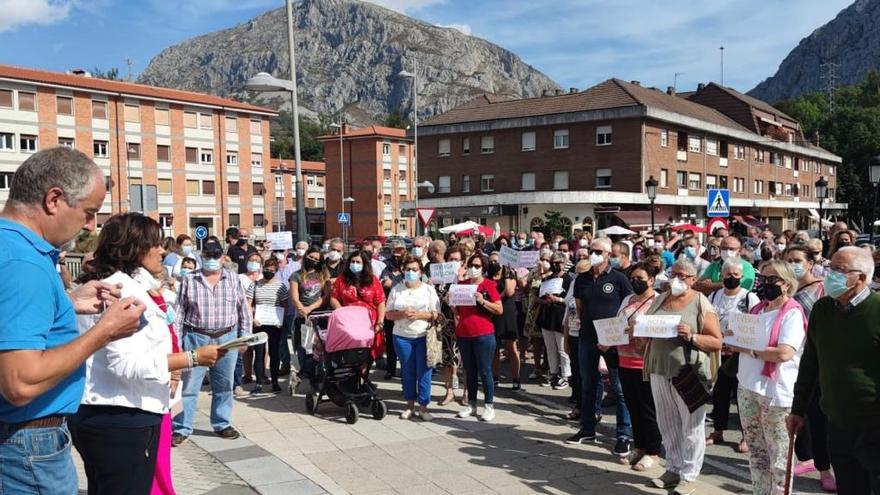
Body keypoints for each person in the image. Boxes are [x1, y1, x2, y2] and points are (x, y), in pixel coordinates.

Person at [0, 147, 145, 493]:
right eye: (89, 212)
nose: (92, 225)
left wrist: (66, 303)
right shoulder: (26, 264)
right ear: (54, 199)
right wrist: (105, 331)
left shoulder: (10, 248)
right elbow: (20, 382)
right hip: (27, 445)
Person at [71, 213, 226, 494]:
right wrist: (193, 358)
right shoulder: (124, 291)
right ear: (133, 247)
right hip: (121, 417)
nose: (162, 250)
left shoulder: (129, 285)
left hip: (118, 414)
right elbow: (126, 363)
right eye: (154, 244)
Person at [789, 247, 880, 495]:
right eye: (831, 268)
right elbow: (810, 364)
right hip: (837, 424)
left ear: (861, 277)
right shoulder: (823, 309)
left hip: (873, 427)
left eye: (839, 270)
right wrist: (798, 409)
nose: (830, 276)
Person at [724, 261, 805, 495]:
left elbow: (784, 353)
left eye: (772, 280)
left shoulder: (792, 312)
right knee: (757, 451)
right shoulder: (758, 310)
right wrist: (733, 337)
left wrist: (748, 349)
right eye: (763, 279)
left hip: (776, 393)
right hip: (748, 386)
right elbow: (742, 338)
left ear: (787, 285)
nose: (765, 285)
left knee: (779, 456)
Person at [643, 259, 722, 495]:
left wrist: (692, 336)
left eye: (681, 275)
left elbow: (716, 340)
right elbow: (648, 329)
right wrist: (639, 331)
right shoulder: (661, 298)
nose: (675, 279)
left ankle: (689, 475)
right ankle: (673, 469)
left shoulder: (700, 302)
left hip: (687, 373)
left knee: (691, 426)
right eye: (672, 273)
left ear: (693, 279)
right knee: (667, 423)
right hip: (659, 369)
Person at [172, 240, 253, 445]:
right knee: (189, 386)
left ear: (222, 256)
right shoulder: (190, 280)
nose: (211, 259)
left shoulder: (233, 279)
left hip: (227, 337)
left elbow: (243, 310)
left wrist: (244, 337)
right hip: (196, 337)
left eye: (215, 255)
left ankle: (222, 423)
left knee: (224, 384)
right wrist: (177, 343)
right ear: (202, 256)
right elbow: (179, 313)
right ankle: (182, 427)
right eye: (208, 255)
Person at [568, 238, 634, 456]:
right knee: (588, 384)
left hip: (613, 341)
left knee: (620, 389)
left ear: (608, 254)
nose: (593, 254)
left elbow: (629, 307)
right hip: (588, 338)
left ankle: (623, 435)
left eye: (598, 251)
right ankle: (587, 429)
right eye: (591, 250)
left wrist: (614, 335)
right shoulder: (582, 279)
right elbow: (579, 306)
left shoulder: (619, 279)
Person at [705, 259, 758, 454]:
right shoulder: (714, 295)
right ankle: (718, 430)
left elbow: (755, 325)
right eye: (728, 274)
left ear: (742, 277)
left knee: (741, 395)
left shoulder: (749, 298)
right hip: (718, 351)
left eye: (736, 275)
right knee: (719, 393)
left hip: (739, 355)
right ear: (722, 276)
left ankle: (746, 435)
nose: (732, 278)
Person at [614, 262, 663, 471]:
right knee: (632, 406)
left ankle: (653, 451)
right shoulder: (627, 299)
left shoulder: (658, 301)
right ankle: (640, 445)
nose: (635, 282)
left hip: (645, 362)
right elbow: (617, 323)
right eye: (632, 278)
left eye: (640, 279)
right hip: (624, 359)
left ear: (651, 281)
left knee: (648, 408)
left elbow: (661, 332)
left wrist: (640, 333)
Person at [385, 256, 441, 421]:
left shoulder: (428, 290)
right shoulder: (397, 289)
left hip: (423, 336)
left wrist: (418, 315)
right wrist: (402, 314)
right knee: (407, 371)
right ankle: (409, 405)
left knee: (424, 372)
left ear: (421, 272)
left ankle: (423, 407)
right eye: (408, 269)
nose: (411, 272)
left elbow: (436, 314)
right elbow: (388, 314)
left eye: (414, 269)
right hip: (402, 336)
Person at [454, 254, 503, 421]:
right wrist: (451, 302)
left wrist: (482, 301)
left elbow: (499, 309)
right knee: (469, 371)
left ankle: (489, 405)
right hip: (464, 333)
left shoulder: (488, 285)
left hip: (483, 333)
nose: (473, 269)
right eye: (471, 265)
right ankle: (472, 404)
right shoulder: (461, 285)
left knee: (485, 370)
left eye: (477, 266)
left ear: (483, 268)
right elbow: (458, 311)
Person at [330, 251, 386, 359]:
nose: (355, 264)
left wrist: (380, 322)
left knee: (367, 353)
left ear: (364, 264)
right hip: (348, 321)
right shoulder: (341, 279)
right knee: (351, 352)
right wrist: (341, 312)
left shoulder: (373, 280)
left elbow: (380, 302)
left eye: (358, 262)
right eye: (353, 261)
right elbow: (334, 298)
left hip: (369, 322)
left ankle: (363, 374)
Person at [246, 257, 289, 394]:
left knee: (274, 353)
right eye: (266, 269)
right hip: (259, 323)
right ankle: (258, 383)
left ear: (276, 271)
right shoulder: (255, 285)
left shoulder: (280, 286)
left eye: (271, 270)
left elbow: (285, 306)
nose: (268, 272)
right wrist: (252, 318)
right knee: (259, 353)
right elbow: (248, 303)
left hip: (275, 324)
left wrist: (280, 320)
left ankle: (275, 382)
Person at [290, 247, 331, 379]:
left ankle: (316, 375)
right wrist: (303, 309)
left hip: (320, 315)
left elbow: (325, 296)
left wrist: (311, 308)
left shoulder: (323, 275)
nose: (312, 260)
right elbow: (294, 298)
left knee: (319, 349)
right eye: (311, 257)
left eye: (316, 259)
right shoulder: (296, 275)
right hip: (303, 317)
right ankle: (305, 374)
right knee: (304, 348)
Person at [538, 252, 573, 390]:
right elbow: (539, 295)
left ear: (564, 264)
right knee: (550, 348)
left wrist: (557, 299)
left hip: (560, 317)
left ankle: (566, 375)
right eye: (553, 262)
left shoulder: (569, 280)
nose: (555, 265)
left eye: (559, 263)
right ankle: (553, 372)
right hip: (547, 316)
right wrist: (543, 299)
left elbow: (570, 300)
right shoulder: (547, 279)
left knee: (562, 349)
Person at [435, 246, 465, 405]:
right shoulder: (441, 279)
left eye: (457, 259)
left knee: (465, 360)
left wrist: (460, 279)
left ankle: (467, 392)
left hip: (463, 324)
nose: (454, 262)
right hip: (445, 324)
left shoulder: (466, 277)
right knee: (447, 359)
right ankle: (449, 391)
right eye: (451, 259)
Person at [563, 260, 590, 421]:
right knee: (577, 373)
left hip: (587, 336)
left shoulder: (590, 289)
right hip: (573, 335)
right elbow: (568, 315)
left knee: (587, 376)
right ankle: (579, 406)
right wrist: (565, 339)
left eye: (582, 272)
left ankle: (589, 409)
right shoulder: (574, 286)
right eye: (577, 272)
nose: (578, 275)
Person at [489, 257, 521, 390]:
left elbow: (509, 291)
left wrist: (507, 273)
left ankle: (516, 379)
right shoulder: (488, 277)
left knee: (511, 347)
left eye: (498, 260)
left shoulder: (510, 276)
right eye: (493, 261)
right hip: (493, 313)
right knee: (494, 347)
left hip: (507, 314)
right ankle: (495, 377)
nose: (495, 263)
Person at [235, 252, 264, 393]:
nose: (254, 262)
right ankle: (247, 374)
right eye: (251, 260)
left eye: (257, 260)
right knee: (247, 347)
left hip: (262, 317)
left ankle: (262, 373)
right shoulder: (240, 277)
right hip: (244, 316)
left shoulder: (264, 278)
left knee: (262, 347)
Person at [380, 243, 407, 379]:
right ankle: (391, 369)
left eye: (400, 250)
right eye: (395, 250)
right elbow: (386, 283)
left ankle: (405, 370)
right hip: (392, 310)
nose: (398, 254)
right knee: (391, 342)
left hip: (407, 314)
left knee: (404, 343)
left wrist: (393, 280)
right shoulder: (386, 266)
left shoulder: (411, 270)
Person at [525, 249, 552, 382]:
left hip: (547, 310)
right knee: (536, 341)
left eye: (547, 259)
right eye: (543, 259)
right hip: (534, 311)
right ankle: (537, 367)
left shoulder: (553, 273)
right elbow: (531, 288)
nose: (544, 262)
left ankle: (547, 366)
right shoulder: (534, 272)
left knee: (549, 342)